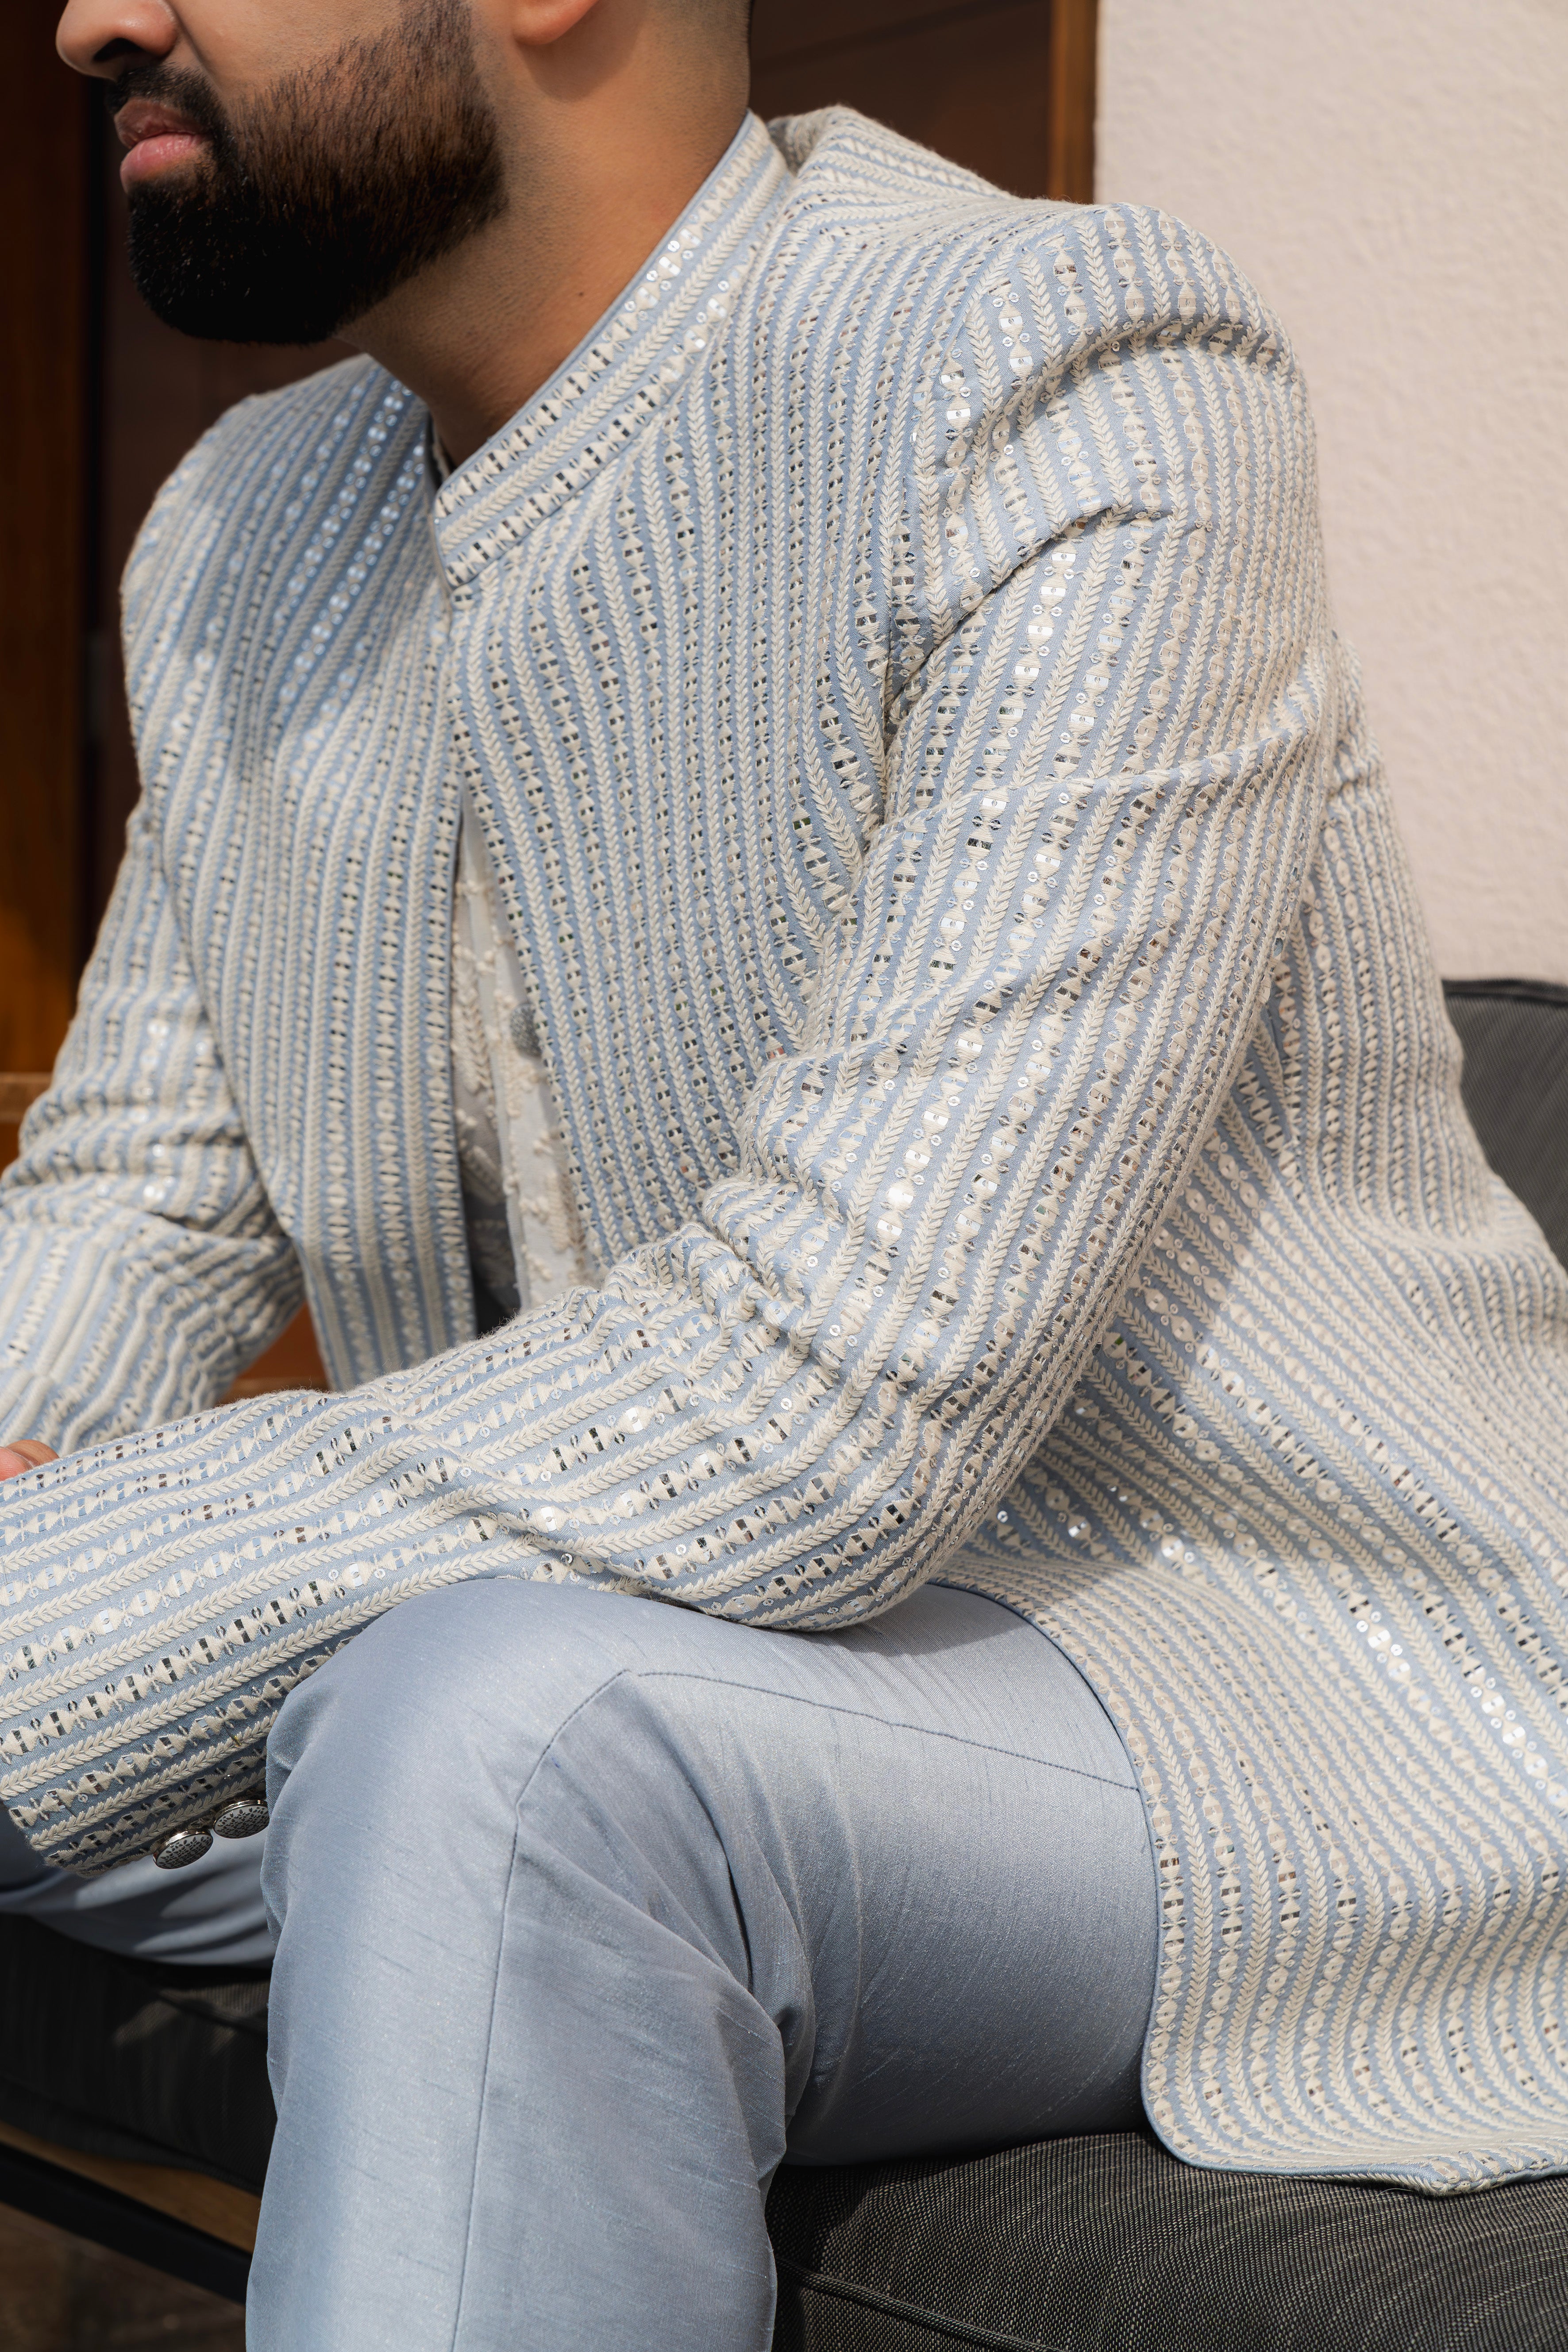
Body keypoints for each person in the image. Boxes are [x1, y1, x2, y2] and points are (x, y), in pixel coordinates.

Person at [2, 0, 1566, 2337]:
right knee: (314, 1726)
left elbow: (831, 1389)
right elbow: (132, 1189)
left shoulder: (1059, 369)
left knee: (505, 1745)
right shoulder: (245, 524)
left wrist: (54, 1603)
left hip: (1257, 1704)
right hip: (644, 1667)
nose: (90, 19)